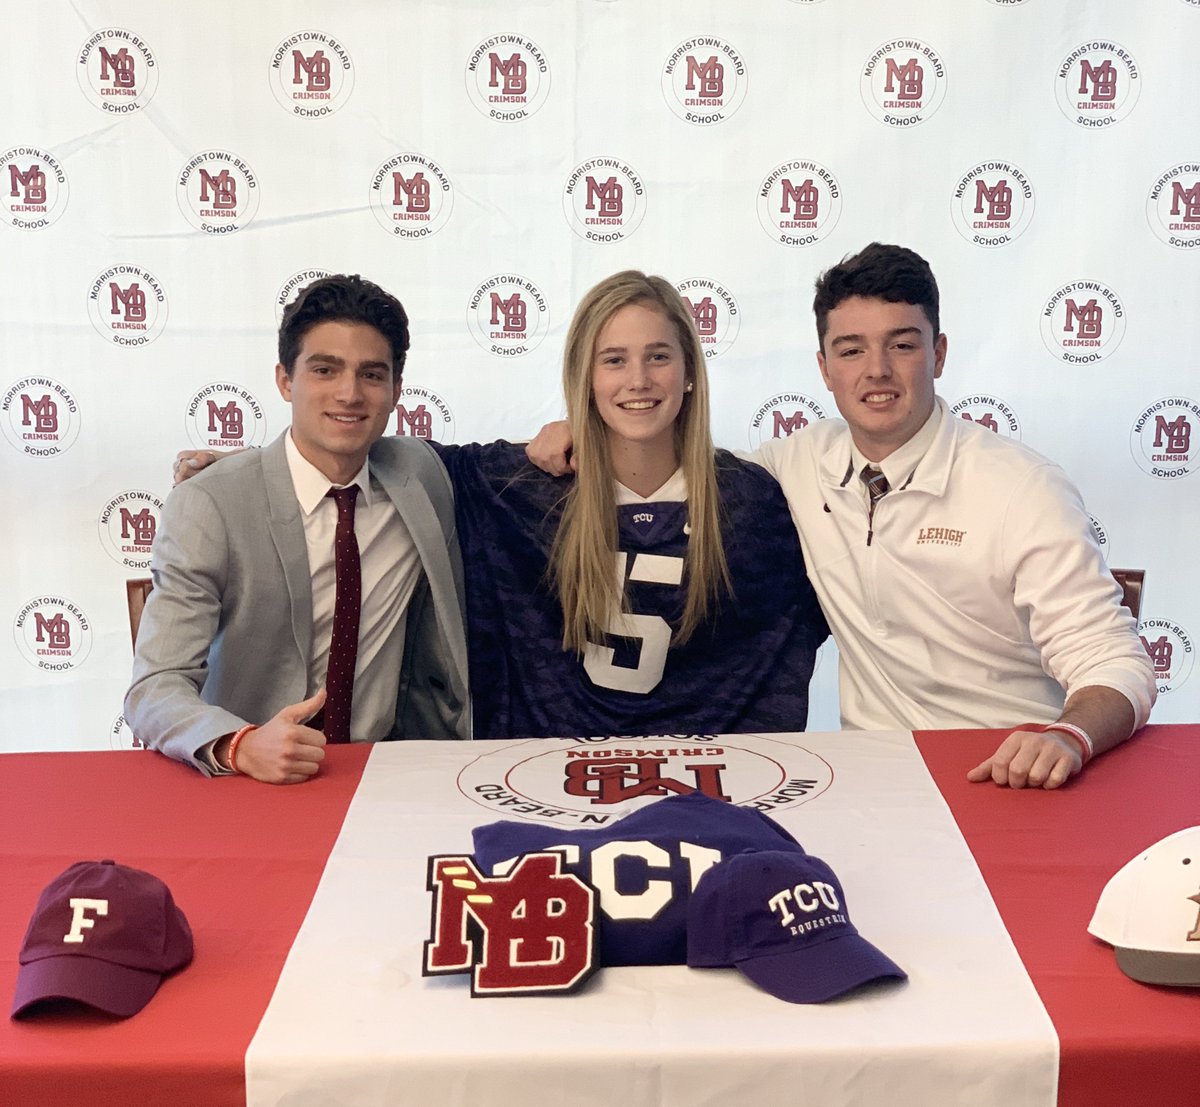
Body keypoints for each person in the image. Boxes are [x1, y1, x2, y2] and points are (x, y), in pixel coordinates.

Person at [528, 246, 1156, 789]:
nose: (876, 371)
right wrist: (579, 434)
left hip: (1008, 767)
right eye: (851, 350)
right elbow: (672, 463)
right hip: (878, 780)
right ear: (824, 367)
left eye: (901, 345)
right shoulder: (790, 468)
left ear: (938, 354)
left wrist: (1067, 737)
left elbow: (1117, 663)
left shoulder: (1023, 488)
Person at [176, 271, 828, 739]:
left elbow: (785, 646)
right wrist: (256, 468)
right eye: (614, 360)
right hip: (544, 788)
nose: (637, 380)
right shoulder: (522, 485)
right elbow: (373, 452)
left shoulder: (751, 502)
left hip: (703, 788)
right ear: (583, 375)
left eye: (658, 357)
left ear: (690, 369)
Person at [126, 275, 469, 784]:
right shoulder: (210, 505)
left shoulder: (420, 474)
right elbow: (154, 686)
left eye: (372, 375)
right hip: (248, 779)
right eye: (325, 370)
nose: (349, 394)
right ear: (286, 380)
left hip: (381, 777)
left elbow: (521, 462)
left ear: (397, 391)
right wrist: (239, 745)